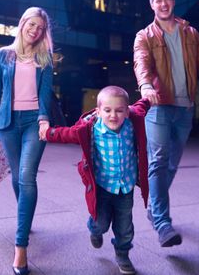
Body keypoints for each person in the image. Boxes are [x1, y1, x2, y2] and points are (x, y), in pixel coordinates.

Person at [133, 0, 199, 247]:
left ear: (173, 1)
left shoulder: (191, 33)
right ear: (151, 5)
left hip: (185, 108)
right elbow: (141, 62)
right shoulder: (145, 36)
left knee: (172, 164)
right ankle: (162, 222)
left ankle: (154, 207)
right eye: (158, 0)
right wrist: (144, 85)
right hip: (158, 107)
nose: (163, 4)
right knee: (158, 160)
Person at [43, 86, 150, 275]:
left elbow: (142, 105)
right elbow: (67, 134)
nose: (113, 116)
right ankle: (95, 229)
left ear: (127, 110)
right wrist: (48, 132)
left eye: (119, 110)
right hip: (102, 187)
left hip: (126, 187)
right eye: (107, 110)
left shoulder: (133, 121)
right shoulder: (90, 129)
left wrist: (149, 97)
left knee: (125, 226)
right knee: (101, 222)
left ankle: (123, 254)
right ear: (98, 111)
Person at [0, 7, 53, 275]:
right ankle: (27, 216)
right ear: (22, 24)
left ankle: (20, 247)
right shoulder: (3, 55)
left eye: (40, 28)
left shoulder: (45, 57)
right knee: (15, 178)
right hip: (9, 124)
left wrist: (45, 118)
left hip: (35, 122)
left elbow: (46, 92)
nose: (35, 31)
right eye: (31, 25)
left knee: (26, 176)